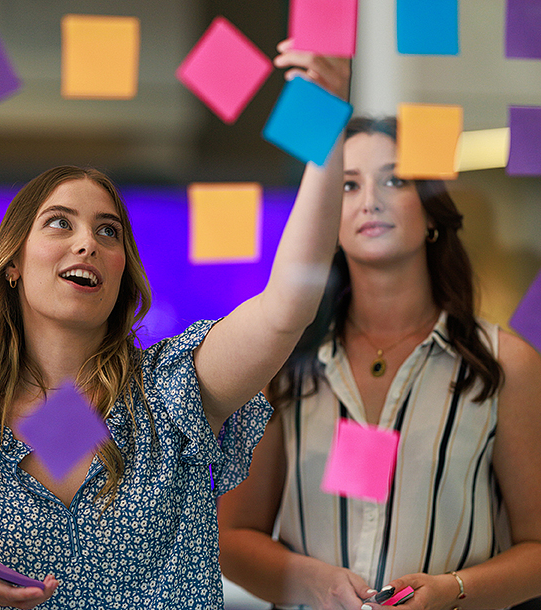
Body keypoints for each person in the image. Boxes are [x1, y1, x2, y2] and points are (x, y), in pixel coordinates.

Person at [0, 49, 349, 609]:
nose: (87, 243)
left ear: (122, 271)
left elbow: (288, 306)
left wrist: (327, 123)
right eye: (59, 223)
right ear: (14, 263)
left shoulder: (171, 391)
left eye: (108, 231)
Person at [217, 115, 541, 609]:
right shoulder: (283, 364)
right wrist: (311, 581)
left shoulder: (506, 366)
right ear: (326, 219)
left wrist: (454, 591)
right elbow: (232, 537)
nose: (370, 200)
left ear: (431, 212)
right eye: (348, 186)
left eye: (394, 180)